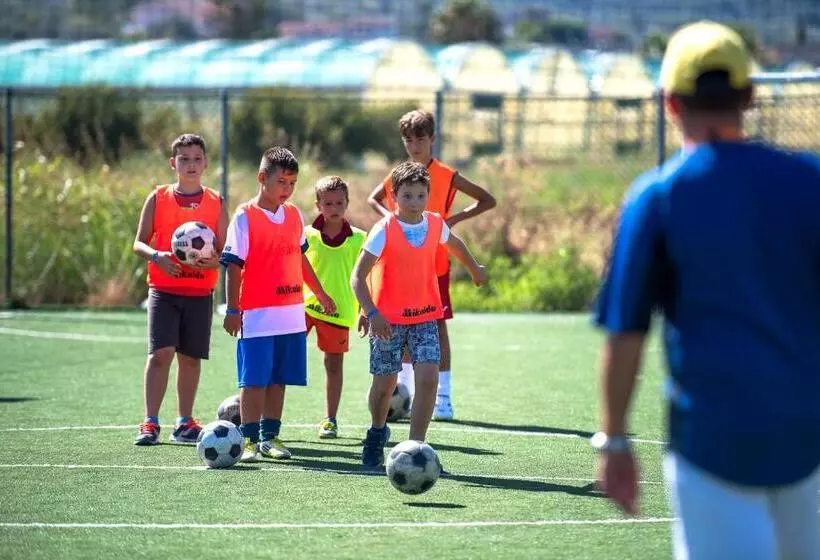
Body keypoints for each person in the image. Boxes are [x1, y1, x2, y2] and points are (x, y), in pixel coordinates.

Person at [592, 21, 820, 559]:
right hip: (806, 434)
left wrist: (616, 441)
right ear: (749, 96)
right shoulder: (809, 182)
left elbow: (625, 333)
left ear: (671, 103)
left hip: (712, 442)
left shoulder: (659, 197)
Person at [352, 162, 487, 467]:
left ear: (428, 196)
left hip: (426, 315)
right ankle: (376, 433)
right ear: (394, 196)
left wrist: (475, 269)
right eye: (407, 196)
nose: (414, 202)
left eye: (421, 195)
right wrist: (371, 312)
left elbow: (456, 245)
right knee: (385, 385)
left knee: (428, 378)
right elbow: (357, 277)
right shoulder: (384, 229)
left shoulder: (436, 224)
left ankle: (416, 446)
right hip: (387, 322)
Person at [367, 109, 496, 420]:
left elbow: (487, 199)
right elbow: (374, 199)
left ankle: (445, 397)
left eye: (420, 139)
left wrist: (454, 220)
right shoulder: (398, 176)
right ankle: (406, 394)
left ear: (432, 140)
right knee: (403, 326)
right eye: (408, 140)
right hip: (399, 266)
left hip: (434, 263)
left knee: (436, 327)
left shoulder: (447, 175)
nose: (414, 146)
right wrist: (389, 219)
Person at [220, 146, 336, 462]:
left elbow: (300, 258)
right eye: (281, 182)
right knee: (254, 380)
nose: (286, 189)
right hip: (256, 314)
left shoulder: (295, 215)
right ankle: (247, 441)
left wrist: (321, 293)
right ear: (262, 178)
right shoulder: (244, 216)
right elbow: (233, 266)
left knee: (279, 379)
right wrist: (232, 309)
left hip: (291, 315)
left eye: (292, 183)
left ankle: (270, 438)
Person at [132, 133, 227, 446]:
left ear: (205, 163)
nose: (190, 164)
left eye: (196, 159)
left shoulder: (215, 202)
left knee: (189, 358)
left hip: (200, 293)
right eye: (183, 159)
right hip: (164, 290)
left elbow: (225, 253)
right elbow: (139, 242)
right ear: (173, 163)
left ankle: (184, 422)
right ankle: (150, 422)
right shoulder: (158, 197)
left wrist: (212, 263)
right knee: (160, 354)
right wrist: (157, 256)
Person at [303, 175, 367, 439]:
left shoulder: (358, 239)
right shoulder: (307, 235)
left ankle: (330, 419)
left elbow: (367, 277)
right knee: (281, 359)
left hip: (339, 312)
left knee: (333, 364)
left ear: (347, 203)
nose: (334, 208)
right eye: (328, 203)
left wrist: (365, 309)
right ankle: (267, 419)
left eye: (339, 202)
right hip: (304, 307)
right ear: (318, 205)